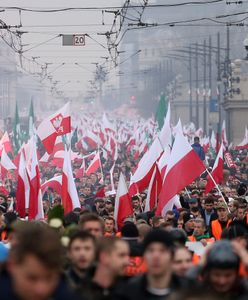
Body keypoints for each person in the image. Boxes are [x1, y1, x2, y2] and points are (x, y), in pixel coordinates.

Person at [0, 223, 79, 300]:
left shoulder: (69, 294)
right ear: (11, 266)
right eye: (32, 278)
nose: (41, 289)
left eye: (49, 278)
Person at [119, 229, 189, 300]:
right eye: (150, 250)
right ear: (144, 255)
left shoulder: (188, 290)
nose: (156, 256)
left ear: (171, 256)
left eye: (162, 250)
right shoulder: (129, 291)